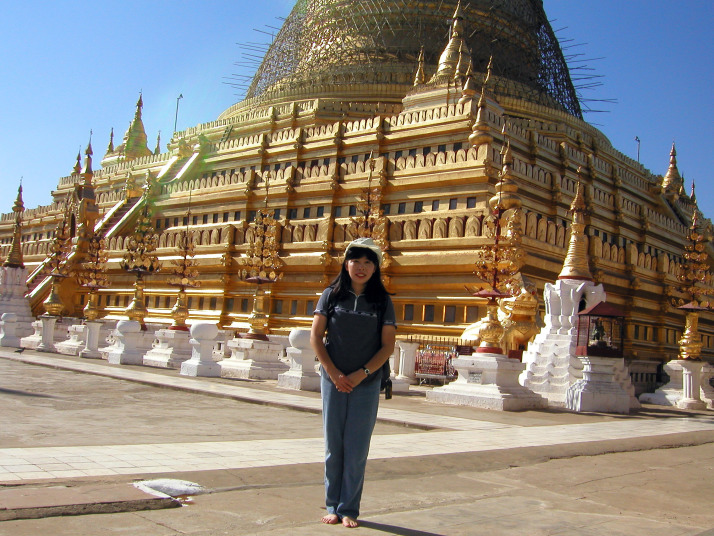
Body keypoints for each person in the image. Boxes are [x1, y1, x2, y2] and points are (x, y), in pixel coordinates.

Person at [310, 237, 397, 528]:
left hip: (366, 383)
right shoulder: (331, 295)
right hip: (333, 380)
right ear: (346, 264)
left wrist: (363, 373)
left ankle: (349, 508)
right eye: (356, 261)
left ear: (376, 268)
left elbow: (387, 346)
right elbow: (316, 337)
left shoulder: (382, 301)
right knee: (333, 445)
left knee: (357, 448)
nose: (361, 267)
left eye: (368, 262)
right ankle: (332, 505)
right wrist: (333, 372)